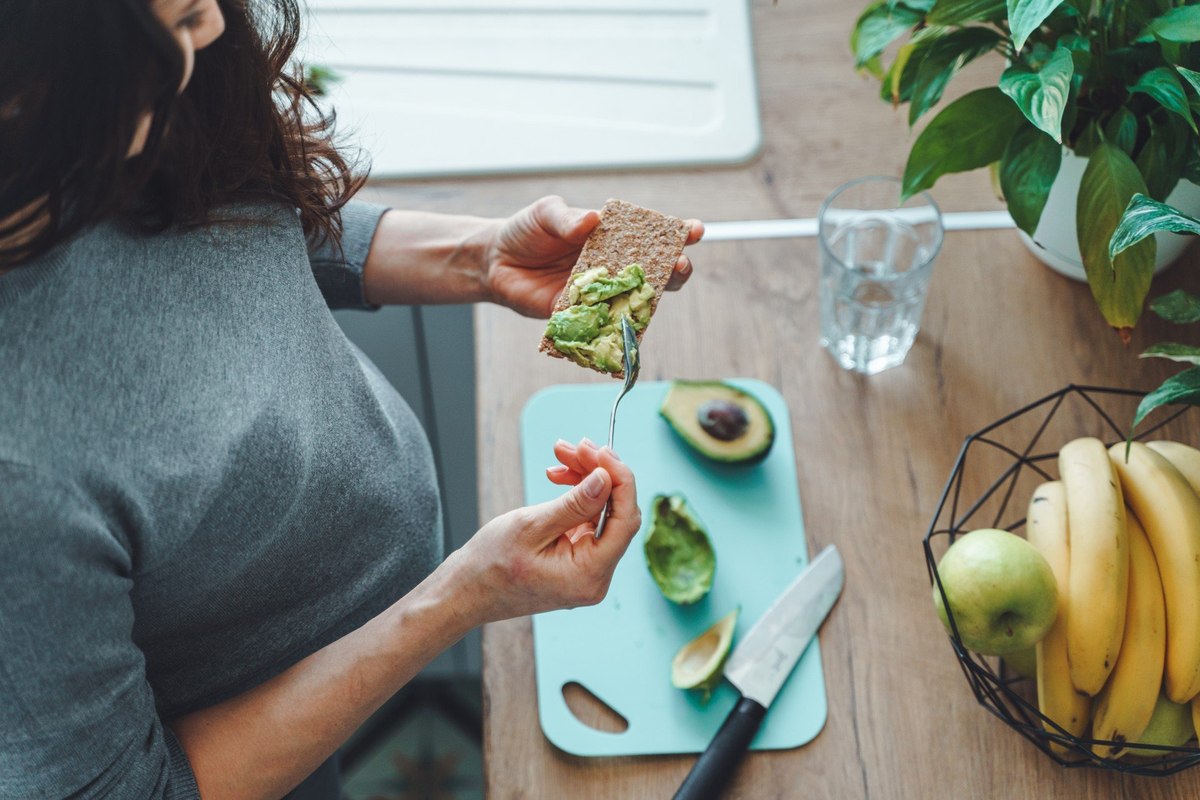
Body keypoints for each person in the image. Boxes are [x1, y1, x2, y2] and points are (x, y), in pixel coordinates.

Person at [0, 1, 703, 797]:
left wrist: (478, 259)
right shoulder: (17, 480)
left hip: (351, 660)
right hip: (260, 742)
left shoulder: (114, 124)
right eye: (182, 19)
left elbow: (223, 218)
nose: (216, 31)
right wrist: (459, 599)